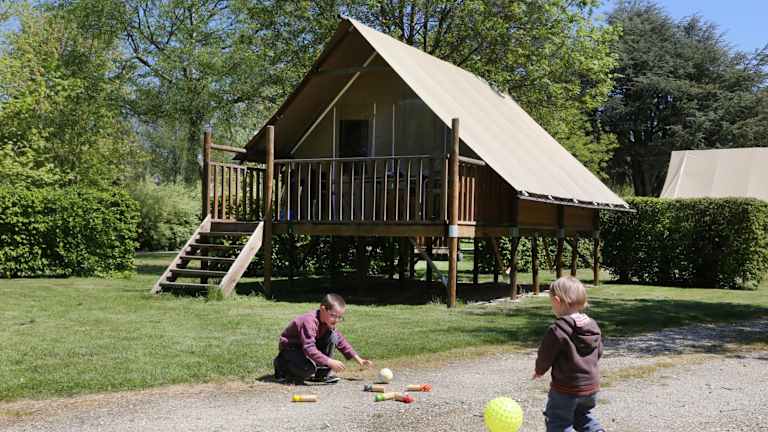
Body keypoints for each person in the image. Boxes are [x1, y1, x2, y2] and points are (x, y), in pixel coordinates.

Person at [533, 276, 605, 432]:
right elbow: (598, 351)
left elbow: (546, 354)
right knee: (583, 416)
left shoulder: (558, 329)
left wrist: (539, 370)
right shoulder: (592, 326)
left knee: (559, 422)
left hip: (566, 388)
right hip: (591, 386)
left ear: (557, 301)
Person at [273, 293, 372, 384]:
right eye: (333, 315)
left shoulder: (327, 322)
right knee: (307, 370)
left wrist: (358, 359)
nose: (336, 320)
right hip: (291, 348)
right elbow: (309, 348)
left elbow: (340, 340)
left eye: (339, 317)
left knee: (333, 336)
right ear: (323, 309)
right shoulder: (309, 321)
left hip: (304, 349)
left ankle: (321, 375)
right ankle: (281, 365)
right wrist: (330, 361)